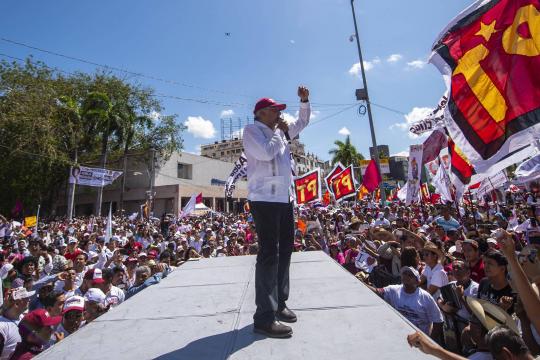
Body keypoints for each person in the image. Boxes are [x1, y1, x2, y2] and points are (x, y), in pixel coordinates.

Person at [243, 86, 310, 338]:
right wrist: (279, 132)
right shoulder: (253, 132)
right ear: (261, 113)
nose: (279, 114)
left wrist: (304, 101)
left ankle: (280, 303)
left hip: (284, 198)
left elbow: (302, 122)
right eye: (274, 110)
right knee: (269, 254)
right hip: (264, 199)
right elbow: (265, 152)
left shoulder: (278, 132)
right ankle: (263, 317)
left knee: (285, 252)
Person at [367, 266, 444, 338]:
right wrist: (360, 282)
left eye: (410, 275)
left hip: (419, 340)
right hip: (398, 336)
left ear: (417, 281)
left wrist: (430, 340)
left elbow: (438, 321)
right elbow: (377, 292)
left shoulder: (426, 297)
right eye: (404, 274)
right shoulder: (393, 290)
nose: (406, 276)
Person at [0, 288, 35, 360]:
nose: (29, 300)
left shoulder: (22, 317)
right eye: (26, 298)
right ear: (17, 303)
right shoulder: (2, 327)